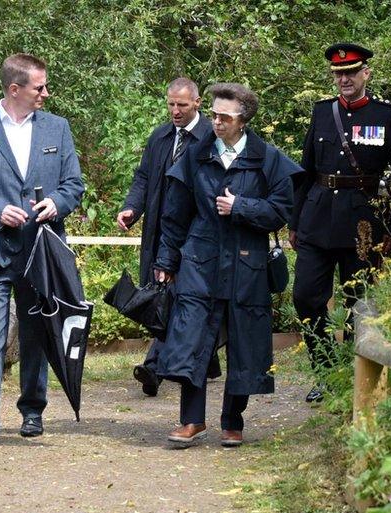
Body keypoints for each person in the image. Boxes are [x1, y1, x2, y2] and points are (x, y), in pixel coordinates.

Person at [153, 83, 300, 447]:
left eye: (224, 116)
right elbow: (175, 213)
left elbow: (282, 211)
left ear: (243, 119)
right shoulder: (195, 154)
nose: (215, 121)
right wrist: (166, 259)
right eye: (214, 114)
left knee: (245, 340)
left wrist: (242, 208)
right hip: (200, 259)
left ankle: (233, 421)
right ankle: (191, 420)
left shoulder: (268, 158)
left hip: (247, 264)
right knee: (192, 336)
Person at [0, 53, 84, 455]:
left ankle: (32, 410)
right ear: (15, 89)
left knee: (35, 334)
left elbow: (74, 184)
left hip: (41, 252)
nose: (45, 93)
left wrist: (57, 204)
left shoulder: (58, 128)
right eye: (38, 87)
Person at [291, 43, 391, 403]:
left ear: (365, 74)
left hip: (363, 225)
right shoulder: (322, 113)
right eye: (338, 74)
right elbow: (305, 171)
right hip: (316, 219)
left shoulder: (387, 116)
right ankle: (326, 370)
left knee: (358, 302)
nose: (344, 79)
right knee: (305, 298)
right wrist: (294, 222)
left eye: (350, 72)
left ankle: (351, 375)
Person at [116, 77, 215, 397]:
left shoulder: (211, 138)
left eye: (182, 105)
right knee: (163, 293)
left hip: (195, 234)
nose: (175, 110)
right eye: (171, 104)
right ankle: (208, 358)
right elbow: (143, 178)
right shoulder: (160, 137)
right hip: (159, 231)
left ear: (197, 103)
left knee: (180, 295)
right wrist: (132, 209)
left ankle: (154, 367)